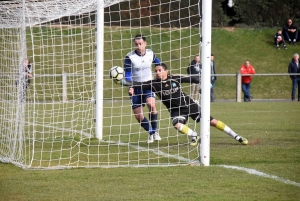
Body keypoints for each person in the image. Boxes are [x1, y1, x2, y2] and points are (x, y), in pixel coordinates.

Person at [121, 63, 248, 146]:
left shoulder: (174, 78)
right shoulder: (153, 83)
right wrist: (129, 85)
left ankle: (236, 136)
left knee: (212, 122)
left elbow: (193, 78)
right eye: (156, 71)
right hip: (176, 111)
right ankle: (194, 136)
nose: (158, 72)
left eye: (160, 70)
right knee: (177, 125)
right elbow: (139, 85)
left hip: (189, 105)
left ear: (166, 71)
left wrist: (205, 82)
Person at [123, 34, 161, 143]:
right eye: (136, 44)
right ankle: (151, 133)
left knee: (151, 105)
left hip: (148, 85)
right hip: (135, 87)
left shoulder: (150, 54)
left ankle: (155, 131)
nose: (138, 46)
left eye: (140, 44)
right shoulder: (129, 57)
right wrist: (131, 86)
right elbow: (128, 74)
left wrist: (160, 75)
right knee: (139, 116)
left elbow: (159, 64)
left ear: (145, 43)